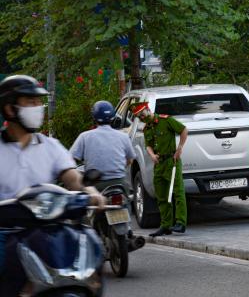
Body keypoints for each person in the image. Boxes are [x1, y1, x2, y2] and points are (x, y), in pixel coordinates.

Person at [0, 75, 103, 271]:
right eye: (31, 102)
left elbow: (72, 178)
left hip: (48, 230)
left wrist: (91, 192)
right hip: (6, 231)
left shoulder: (50, 146)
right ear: (9, 108)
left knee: (88, 260)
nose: (38, 107)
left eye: (39, 102)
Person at [131, 101, 188, 237]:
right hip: (159, 164)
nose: (141, 118)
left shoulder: (166, 120)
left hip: (171, 161)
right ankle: (166, 225)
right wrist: (151, 155)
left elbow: (184, 130)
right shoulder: (147, 129)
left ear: (148, 110)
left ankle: (181, 222)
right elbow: (148, 145)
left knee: (177, 192)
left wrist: (179, 148)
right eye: (139, 117)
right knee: (161, 195)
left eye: (142, 114)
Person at [69, 100, 136, 192]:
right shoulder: (123, 136)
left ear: (94, 117)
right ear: (113, 117)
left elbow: (69, 159)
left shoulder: (85, 136)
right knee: (126, 203)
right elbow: (130, 160)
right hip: (119, 183)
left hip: (94, 185)